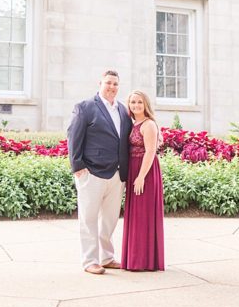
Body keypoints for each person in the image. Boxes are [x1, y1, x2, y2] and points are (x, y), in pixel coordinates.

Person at [66, 69, 132, 275]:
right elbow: (73, 136)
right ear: (100, 83)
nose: (112, 87)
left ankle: (107, 257)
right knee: (89, 218)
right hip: (91, 172)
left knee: (110, 219)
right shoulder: (85, 107)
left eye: (115, 84)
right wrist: (77, 167)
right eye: (108, 83)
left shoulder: (123, 110)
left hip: (117, 174)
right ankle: (90, 260)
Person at [121, 89, 165, 271]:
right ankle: (134, 259)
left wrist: (140, 177)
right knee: (135, 215)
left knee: (143, 214)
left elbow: (150, 151)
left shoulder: (149, 125)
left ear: (145, 104)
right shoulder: (133, 123)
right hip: (134, 169)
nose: (136, 105)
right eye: (133, 102)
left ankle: (144, 261)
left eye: (139, 102)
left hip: (145, 171)